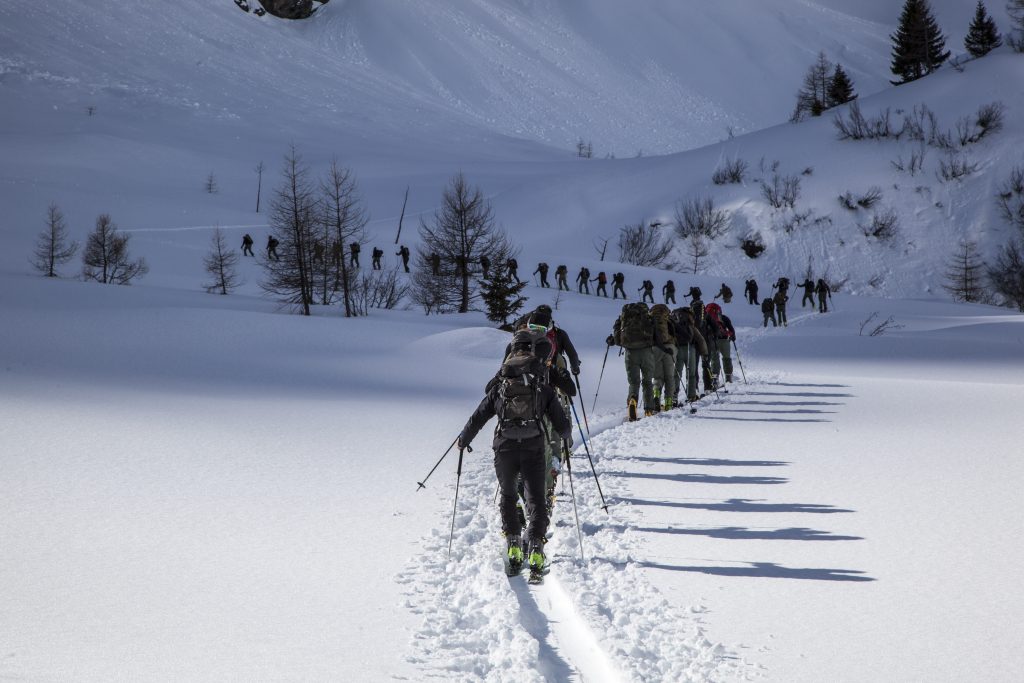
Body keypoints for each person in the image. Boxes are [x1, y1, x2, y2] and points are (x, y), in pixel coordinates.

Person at [458, 331, 573, 576]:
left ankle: (513, 543)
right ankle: (535, 546)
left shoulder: (501, 384)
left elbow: (479, 415)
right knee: (536, 499)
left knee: (509, 496)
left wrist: (463, 440)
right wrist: (564, 438)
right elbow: (562, 426)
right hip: (533, 446)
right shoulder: (542, 385)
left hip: (505, 447)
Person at [607, 302, 655, 421]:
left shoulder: (625, 317)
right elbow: (655, 334)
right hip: (646, 352)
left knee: (634, 382)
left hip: (630, 353)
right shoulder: (647, 316)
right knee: (647, 381)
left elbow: (618, 339)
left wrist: (612, 340)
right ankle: (648, 409)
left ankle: (633, 400)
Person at [671, 307, 708, 404]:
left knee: (676, 374)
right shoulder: (690, 325)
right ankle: (691, 395)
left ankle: (673, 396)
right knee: (691, 373)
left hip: (677, 349)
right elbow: (700, 339)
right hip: (690, 349)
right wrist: (704, 353)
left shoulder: (673, 324)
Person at [649, 304, 678, 412]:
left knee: (657, 377)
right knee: (669, 377)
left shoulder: (650, 320)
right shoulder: (668, 321)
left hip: (655, 349)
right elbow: (675, 334)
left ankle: (656, 395)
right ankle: (668, 402)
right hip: (669, 349)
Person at [703, 303, 736, 385]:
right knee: (726, 358)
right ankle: (728, 377)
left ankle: (715, 378)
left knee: (714, 359)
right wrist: (731, 336)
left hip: (713, 341)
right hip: (724, 340)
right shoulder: (724, 318)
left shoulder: (707, 319)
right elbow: (732, 330)